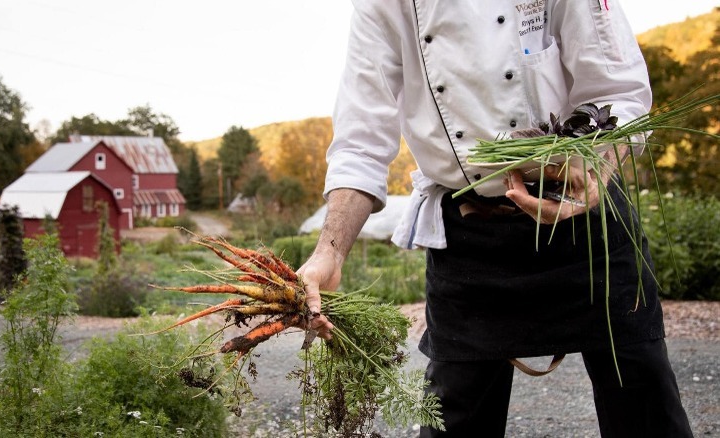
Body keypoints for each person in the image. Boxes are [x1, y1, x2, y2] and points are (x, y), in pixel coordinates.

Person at [297, 1, 694, 437]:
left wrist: (594, 168)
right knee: (455, 417)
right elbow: (360, 142)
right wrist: (329, 252)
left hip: (585, 218)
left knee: (643, 403)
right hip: (472, 229)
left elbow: (618, 90)